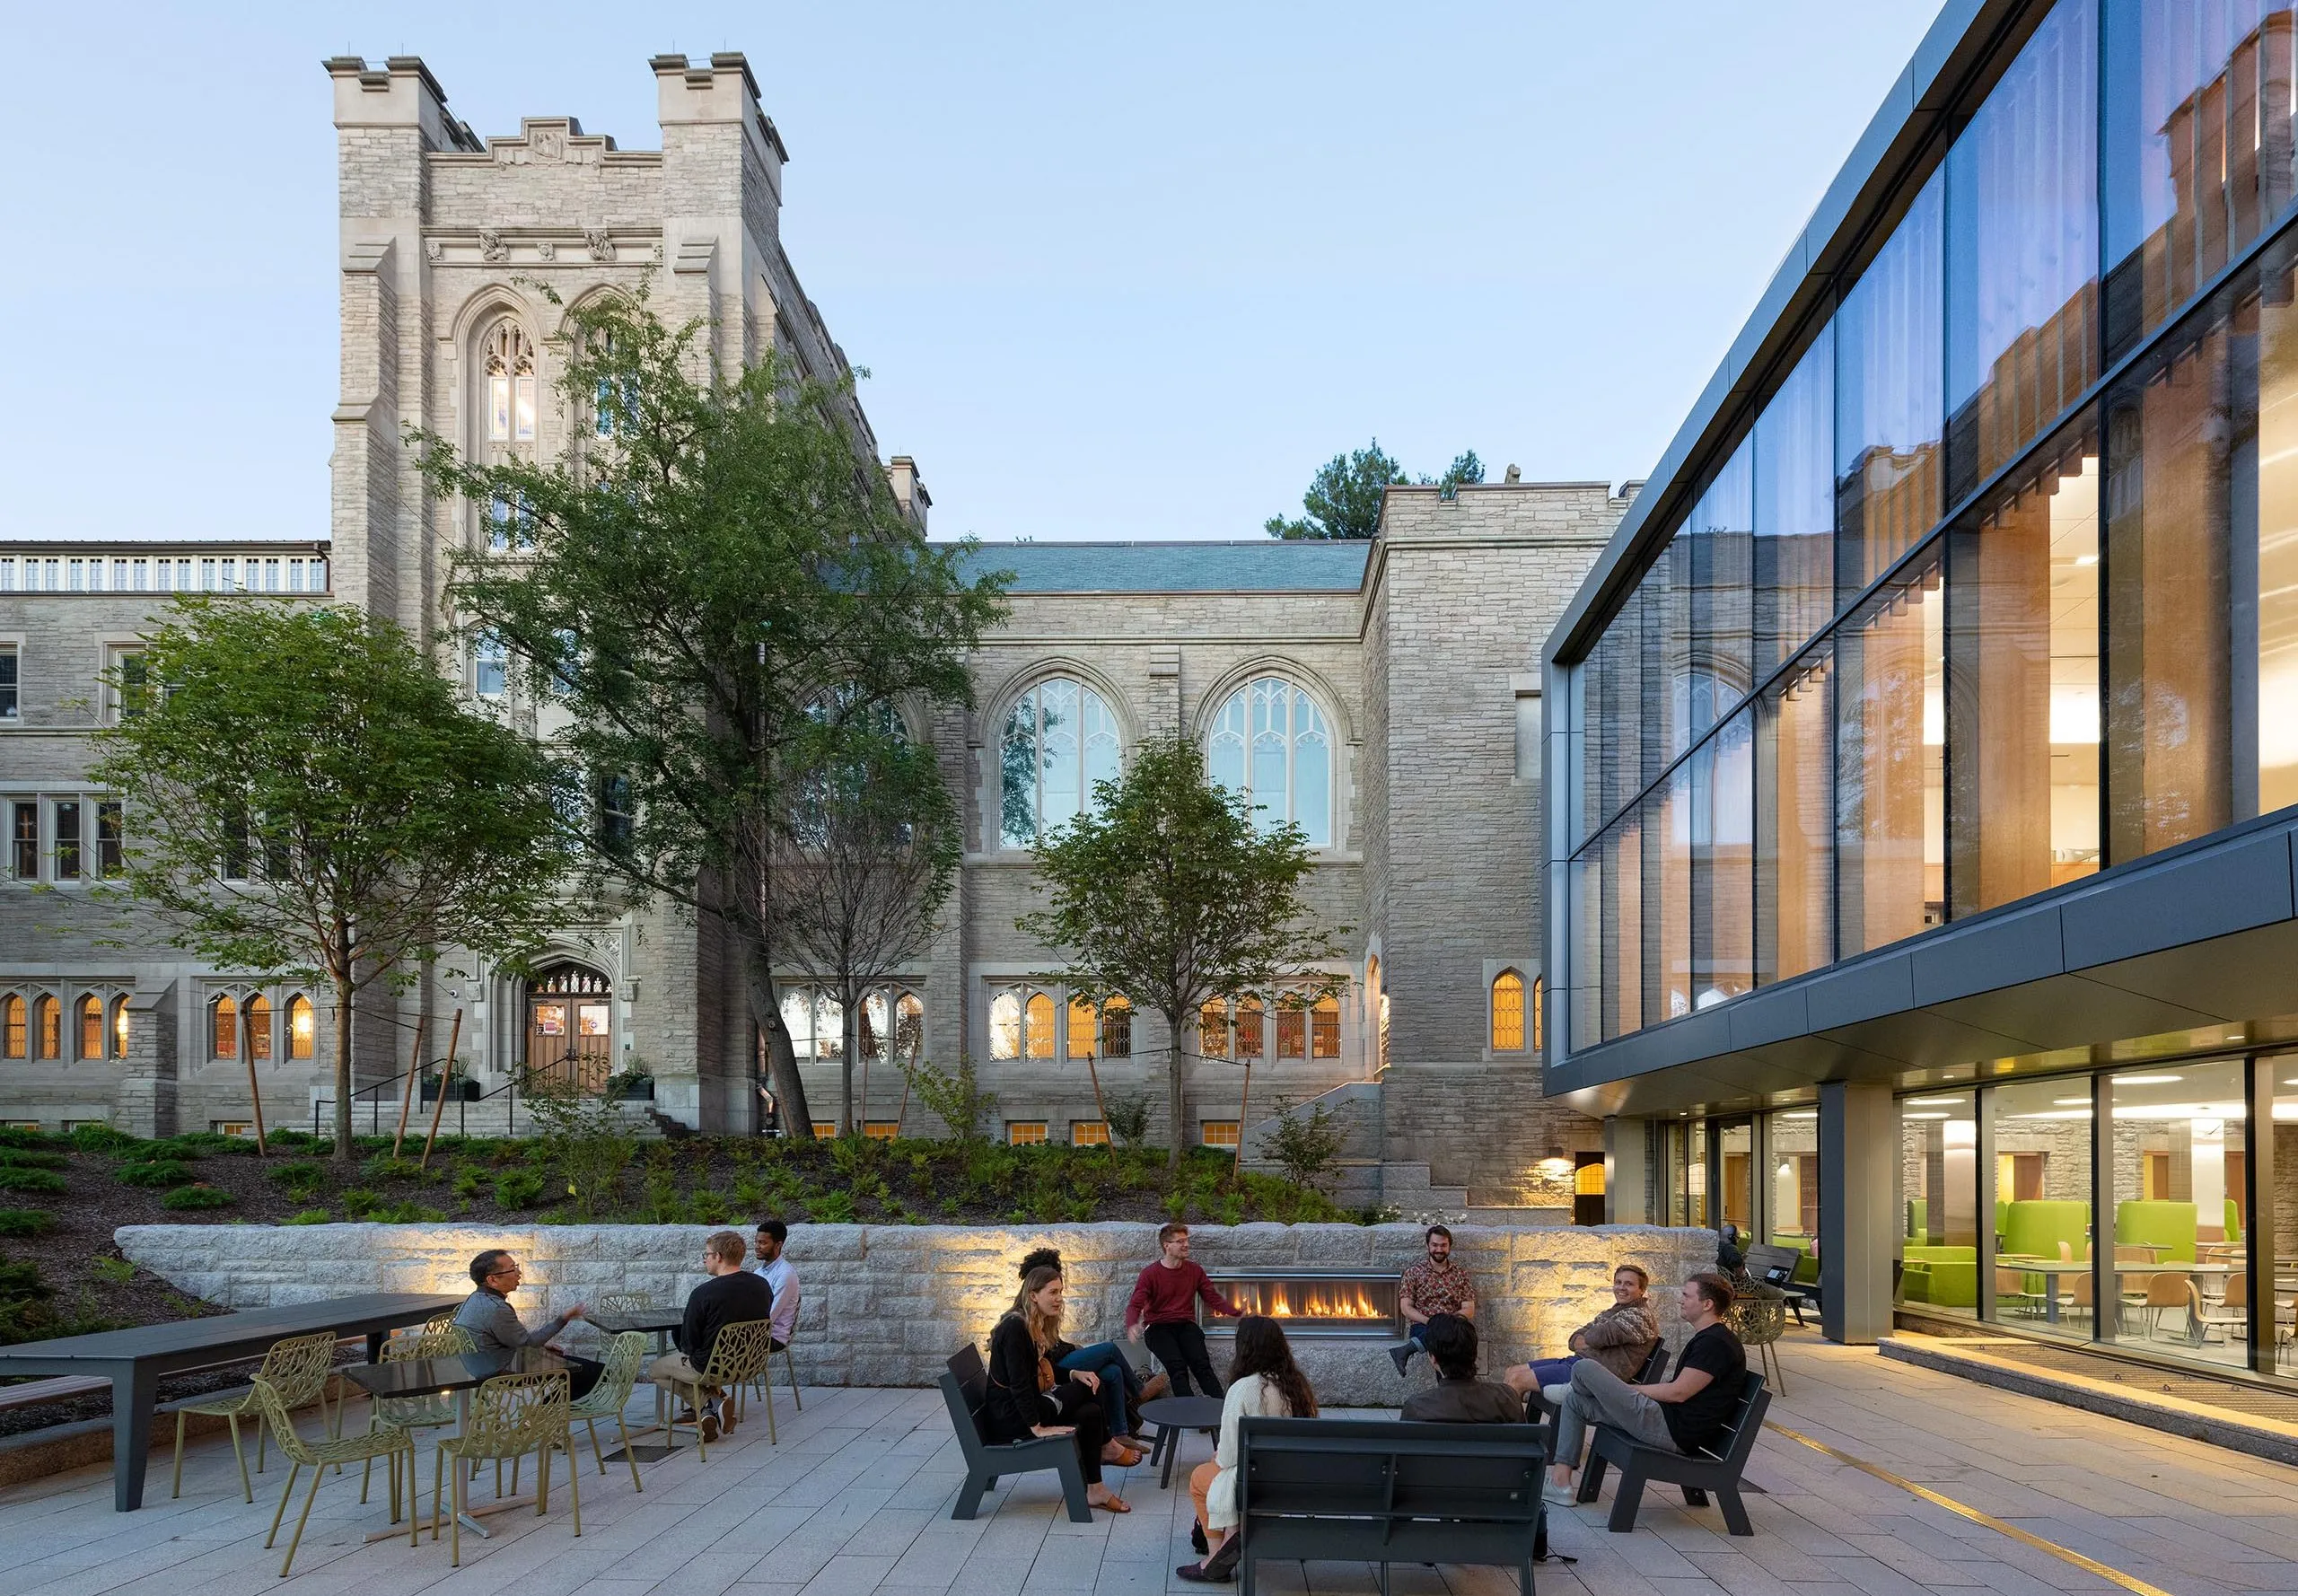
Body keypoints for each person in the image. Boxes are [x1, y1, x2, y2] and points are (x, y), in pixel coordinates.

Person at [1544, 1273, 1747, 1507]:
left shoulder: (1716, 1343)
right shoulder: (1708, 1339)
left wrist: (1628, 1391)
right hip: (1665, 1420)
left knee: (1584, 1367)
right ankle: (1560, 1484)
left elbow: (1678, 1393)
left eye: (1686, 1295)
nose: (1680, 1300)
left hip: (1671, 1429)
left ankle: (1575, 1387)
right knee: (1574, 1401)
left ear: (1707, 1304)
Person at [1177, 1314, 1317, 1583]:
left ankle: (1214, 1559)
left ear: (1245, 1349)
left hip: (1254, 1486)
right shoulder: (1297, 1386)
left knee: (1200, 1478)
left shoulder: (1242, 1389)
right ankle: (1232, 1530)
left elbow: (1229, 1457)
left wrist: (1219, 1455)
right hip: (1293, 1483)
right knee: (1219, 1475)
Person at [985, 1264, 1132, 1512]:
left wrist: (1075, 1372)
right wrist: (1037, 1428)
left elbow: (1047, 1367)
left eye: (1061, 1292)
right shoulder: (1015, 1328)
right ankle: (1107, 1444)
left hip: (1029, 1404)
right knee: (1091, 1388)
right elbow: (1019, 1384)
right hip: (1014, 1416)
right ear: (1033, 1295)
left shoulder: (1033, 1323)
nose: (1059, 1299)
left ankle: (1095, 1489)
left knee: (1091, 1408)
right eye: (1053, 1292)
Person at [1020, 1247, 1165, 1448]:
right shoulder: (1025, 1314)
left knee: (1112, 1371)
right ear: (1034, 1286)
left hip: (1057, 1363)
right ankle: (1139, 1392)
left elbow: (1054, 1343)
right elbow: (1048, 1354)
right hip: (1052, 1370)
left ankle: (1120, 1433)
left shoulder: (1043, 1308)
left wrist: (1071, 1347)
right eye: (1053, 1289)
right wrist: (1073, 1350)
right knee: (1109, 1350)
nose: (1058, 1294)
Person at [650, 1229, 776, 1442]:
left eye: (706, 1255)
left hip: (712, 1367)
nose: (705, 1261)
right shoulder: (762, 1285)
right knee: (696, 1361)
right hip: (752, 1364)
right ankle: (712, 1408)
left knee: (657, 1370)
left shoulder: (703, 1293)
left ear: (718, 1257)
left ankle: (710, 1404)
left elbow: (689, 1344)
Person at [455, 1249, 602, 1398]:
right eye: (512, 1269)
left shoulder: (474, 1299)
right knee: (595, 1373)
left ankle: (547, 1410)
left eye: (516, 1266)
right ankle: (544, 1411)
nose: (518, 1273)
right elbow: (529, 1344)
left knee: (583, 1367)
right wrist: (564, 1318)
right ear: (492, 1280)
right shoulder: (496, 1309)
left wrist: (543, 1346)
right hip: (502, 1373)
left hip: (486, 1366)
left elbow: (509, 1339)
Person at [1504, 1264, 1661, 1401]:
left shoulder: (1640, 1316)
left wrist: (1592, 1339)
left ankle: (1514, 1433)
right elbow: (1574, 1339)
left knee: (1518, 1380)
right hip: (1579, 1364)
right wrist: (1592, 1339)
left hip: (1594, 1376)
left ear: (1641, 1290)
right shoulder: (1615, 1311)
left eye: (1629, 1284)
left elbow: (1596, 1337)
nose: (1621, 1288)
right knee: (1512, 1372)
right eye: (1618, 1282)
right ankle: (1520, 1427)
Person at [1125, 1223, 1241, 1398]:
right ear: (1167, 1246)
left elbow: (1212, 1297)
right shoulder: (1150, 1274)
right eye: (1180, 1241)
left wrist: (1237, 1313)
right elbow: (1135, 1304)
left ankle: (1221, 1415)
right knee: (1177, 1367)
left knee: (1202, 1366)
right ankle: (1188, 1417)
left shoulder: (1194, 1270)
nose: (1186, 1245)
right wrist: (1132, 1324)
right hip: (1158, 1328)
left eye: (1186, 1240)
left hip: (1185, 1325)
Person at [1401, 1315, 1523, 1423]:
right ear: (1475, 1354)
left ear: (1433, 1358)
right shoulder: (1506, 1399)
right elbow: (1523, 1444)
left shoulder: (1417, 1407)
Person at [1391, 1223, 1477, 1376]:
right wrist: (1431, 1322)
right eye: (1434, 1245)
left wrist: (1447, 1321)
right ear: (1428, 1245)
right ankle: (1450, 1391)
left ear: (1449, 1246)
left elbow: (1469, 1309)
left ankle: (1405, 1351)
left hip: (1452, 1324)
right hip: (1423, 1326)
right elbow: (1406, 1308)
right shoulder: (1414, 1273)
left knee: (1450, 1337)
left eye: (1443, 1245)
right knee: (1442, 1340)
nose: (1439, 1249)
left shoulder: (1460, 1274)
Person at [754, 1218, 801, 1353]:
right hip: (755, 1331)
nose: (757, 1246)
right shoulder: (759, 1272)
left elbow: (769, 1316)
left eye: (762, 1243)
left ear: (778, 1245)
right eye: (756, 1242)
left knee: (725, 1343)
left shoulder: (785, 1274)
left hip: (772, 1337)